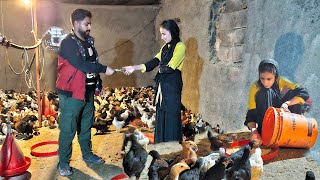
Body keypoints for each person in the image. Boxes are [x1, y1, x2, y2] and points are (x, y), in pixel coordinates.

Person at [55, 9, 115, 176]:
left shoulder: (89, 42)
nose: (90, 26)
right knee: (68, 129)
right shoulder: (67, 43)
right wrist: (104, 69)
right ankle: (64, 163)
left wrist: (99, 84)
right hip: (71, 93)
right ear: (76, 24)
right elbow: (81, 64)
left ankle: (87, 155)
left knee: (86, 126)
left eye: (90, 23)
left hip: (87, 92)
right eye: (86, 23)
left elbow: (93, 64)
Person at [123, 19, 186, 144]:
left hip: (172, 85)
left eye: (164, 34)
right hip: (162, 86)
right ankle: (161, 144)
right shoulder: (165, 48)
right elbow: (153, 63)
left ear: (172, 32)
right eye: (161, 34)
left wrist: (159, 65)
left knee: (171, 115)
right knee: (161, 113)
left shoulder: (180, 46)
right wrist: (134, 67)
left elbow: (170, 67)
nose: (162, 37)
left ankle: (172, 147)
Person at [245, 59, 309, 144]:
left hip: (281, 116)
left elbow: (303, 91)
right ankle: (266, 132)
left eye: (269, 79)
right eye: (262, 78)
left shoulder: (280, 81)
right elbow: (251, 114)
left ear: (275, 76)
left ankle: (295, 127)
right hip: (266, 123)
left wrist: (287, 103)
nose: (265, 82)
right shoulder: (255, 87)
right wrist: (254, 132)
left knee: (293, 93)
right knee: (266, 91)